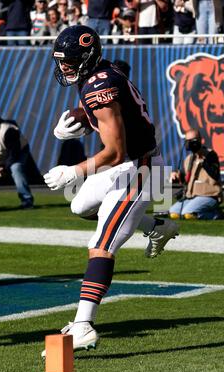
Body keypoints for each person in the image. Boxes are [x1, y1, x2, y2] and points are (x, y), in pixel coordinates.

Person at [42, 25, 179, 352]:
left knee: (101, 243)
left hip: (140, 167)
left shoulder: (98, 86)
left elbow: (115, 150)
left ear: (87, 58)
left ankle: (84, 324)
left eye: (69, 61)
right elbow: (115, 117)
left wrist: (73, 170)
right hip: (128, 163)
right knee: (80, 207)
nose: (64, 68)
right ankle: (156, 226)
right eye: (61, 61)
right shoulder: (104, 73)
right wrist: (79, 123)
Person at [169, 129, 224, 220]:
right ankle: (205, 211)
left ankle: (216, 214)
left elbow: (215, 175)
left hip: (209, 195)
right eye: (188, 141)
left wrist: (203, 160)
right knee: (174, 213)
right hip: (192, 196)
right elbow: (185, 180)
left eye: (193, 140)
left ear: (200, 140)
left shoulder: (210, 155)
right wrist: (176, 176)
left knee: (188, 214)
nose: (191, 143)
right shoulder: (189, 159)